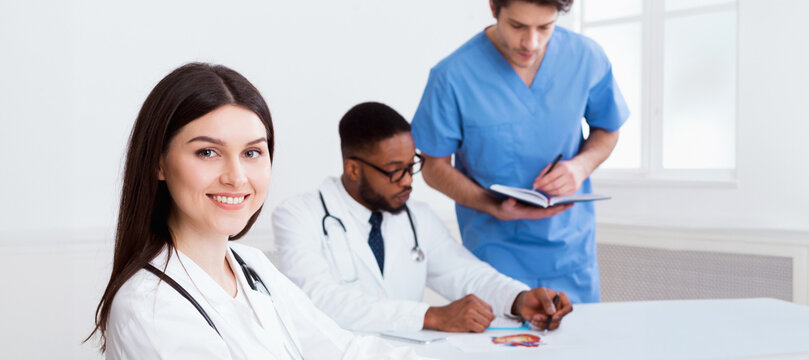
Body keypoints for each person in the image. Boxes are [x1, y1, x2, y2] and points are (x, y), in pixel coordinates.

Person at [86, 63, 428, 359]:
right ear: (158, 163)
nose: (236, 177)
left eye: (251, 153)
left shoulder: (253, 266)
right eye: (207, 152)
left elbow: (344, 351)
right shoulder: (149, 307)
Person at [272, 102, 572, 334]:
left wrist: (519, 298)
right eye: (394, 171)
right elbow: (316, 299)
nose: (408, 181)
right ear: (353, 169)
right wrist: (430, 316)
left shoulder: (417, 216)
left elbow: (467, 273)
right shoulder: (298, 215)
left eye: (410, 166)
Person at [410, 0, 629, 303]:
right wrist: (491, 204)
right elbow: (433, 166)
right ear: (493, 7)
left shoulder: (586, 58)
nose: (531, 43)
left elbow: (608, 129)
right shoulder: (452, 76)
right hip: (494, 259)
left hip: (570, 254)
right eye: (517, 26)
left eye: (545, 27)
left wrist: (581, 166)